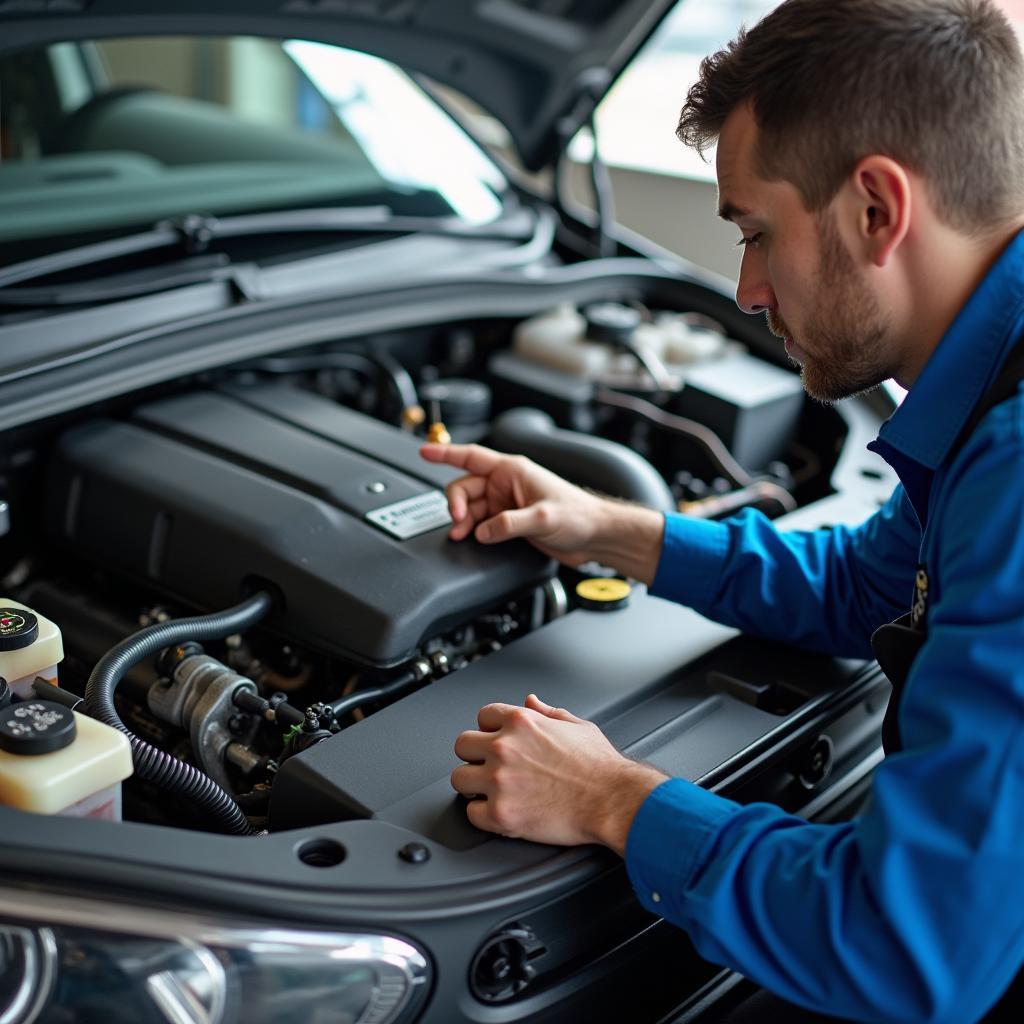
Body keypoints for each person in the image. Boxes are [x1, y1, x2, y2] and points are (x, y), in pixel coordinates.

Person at [421, 1, 1024, 1020]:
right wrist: (607, 527)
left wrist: (615, 798)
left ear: (878, 208)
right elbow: (870, 586)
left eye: (755, 232)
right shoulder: (986, 396)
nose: (744, 289)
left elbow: (912, 951)